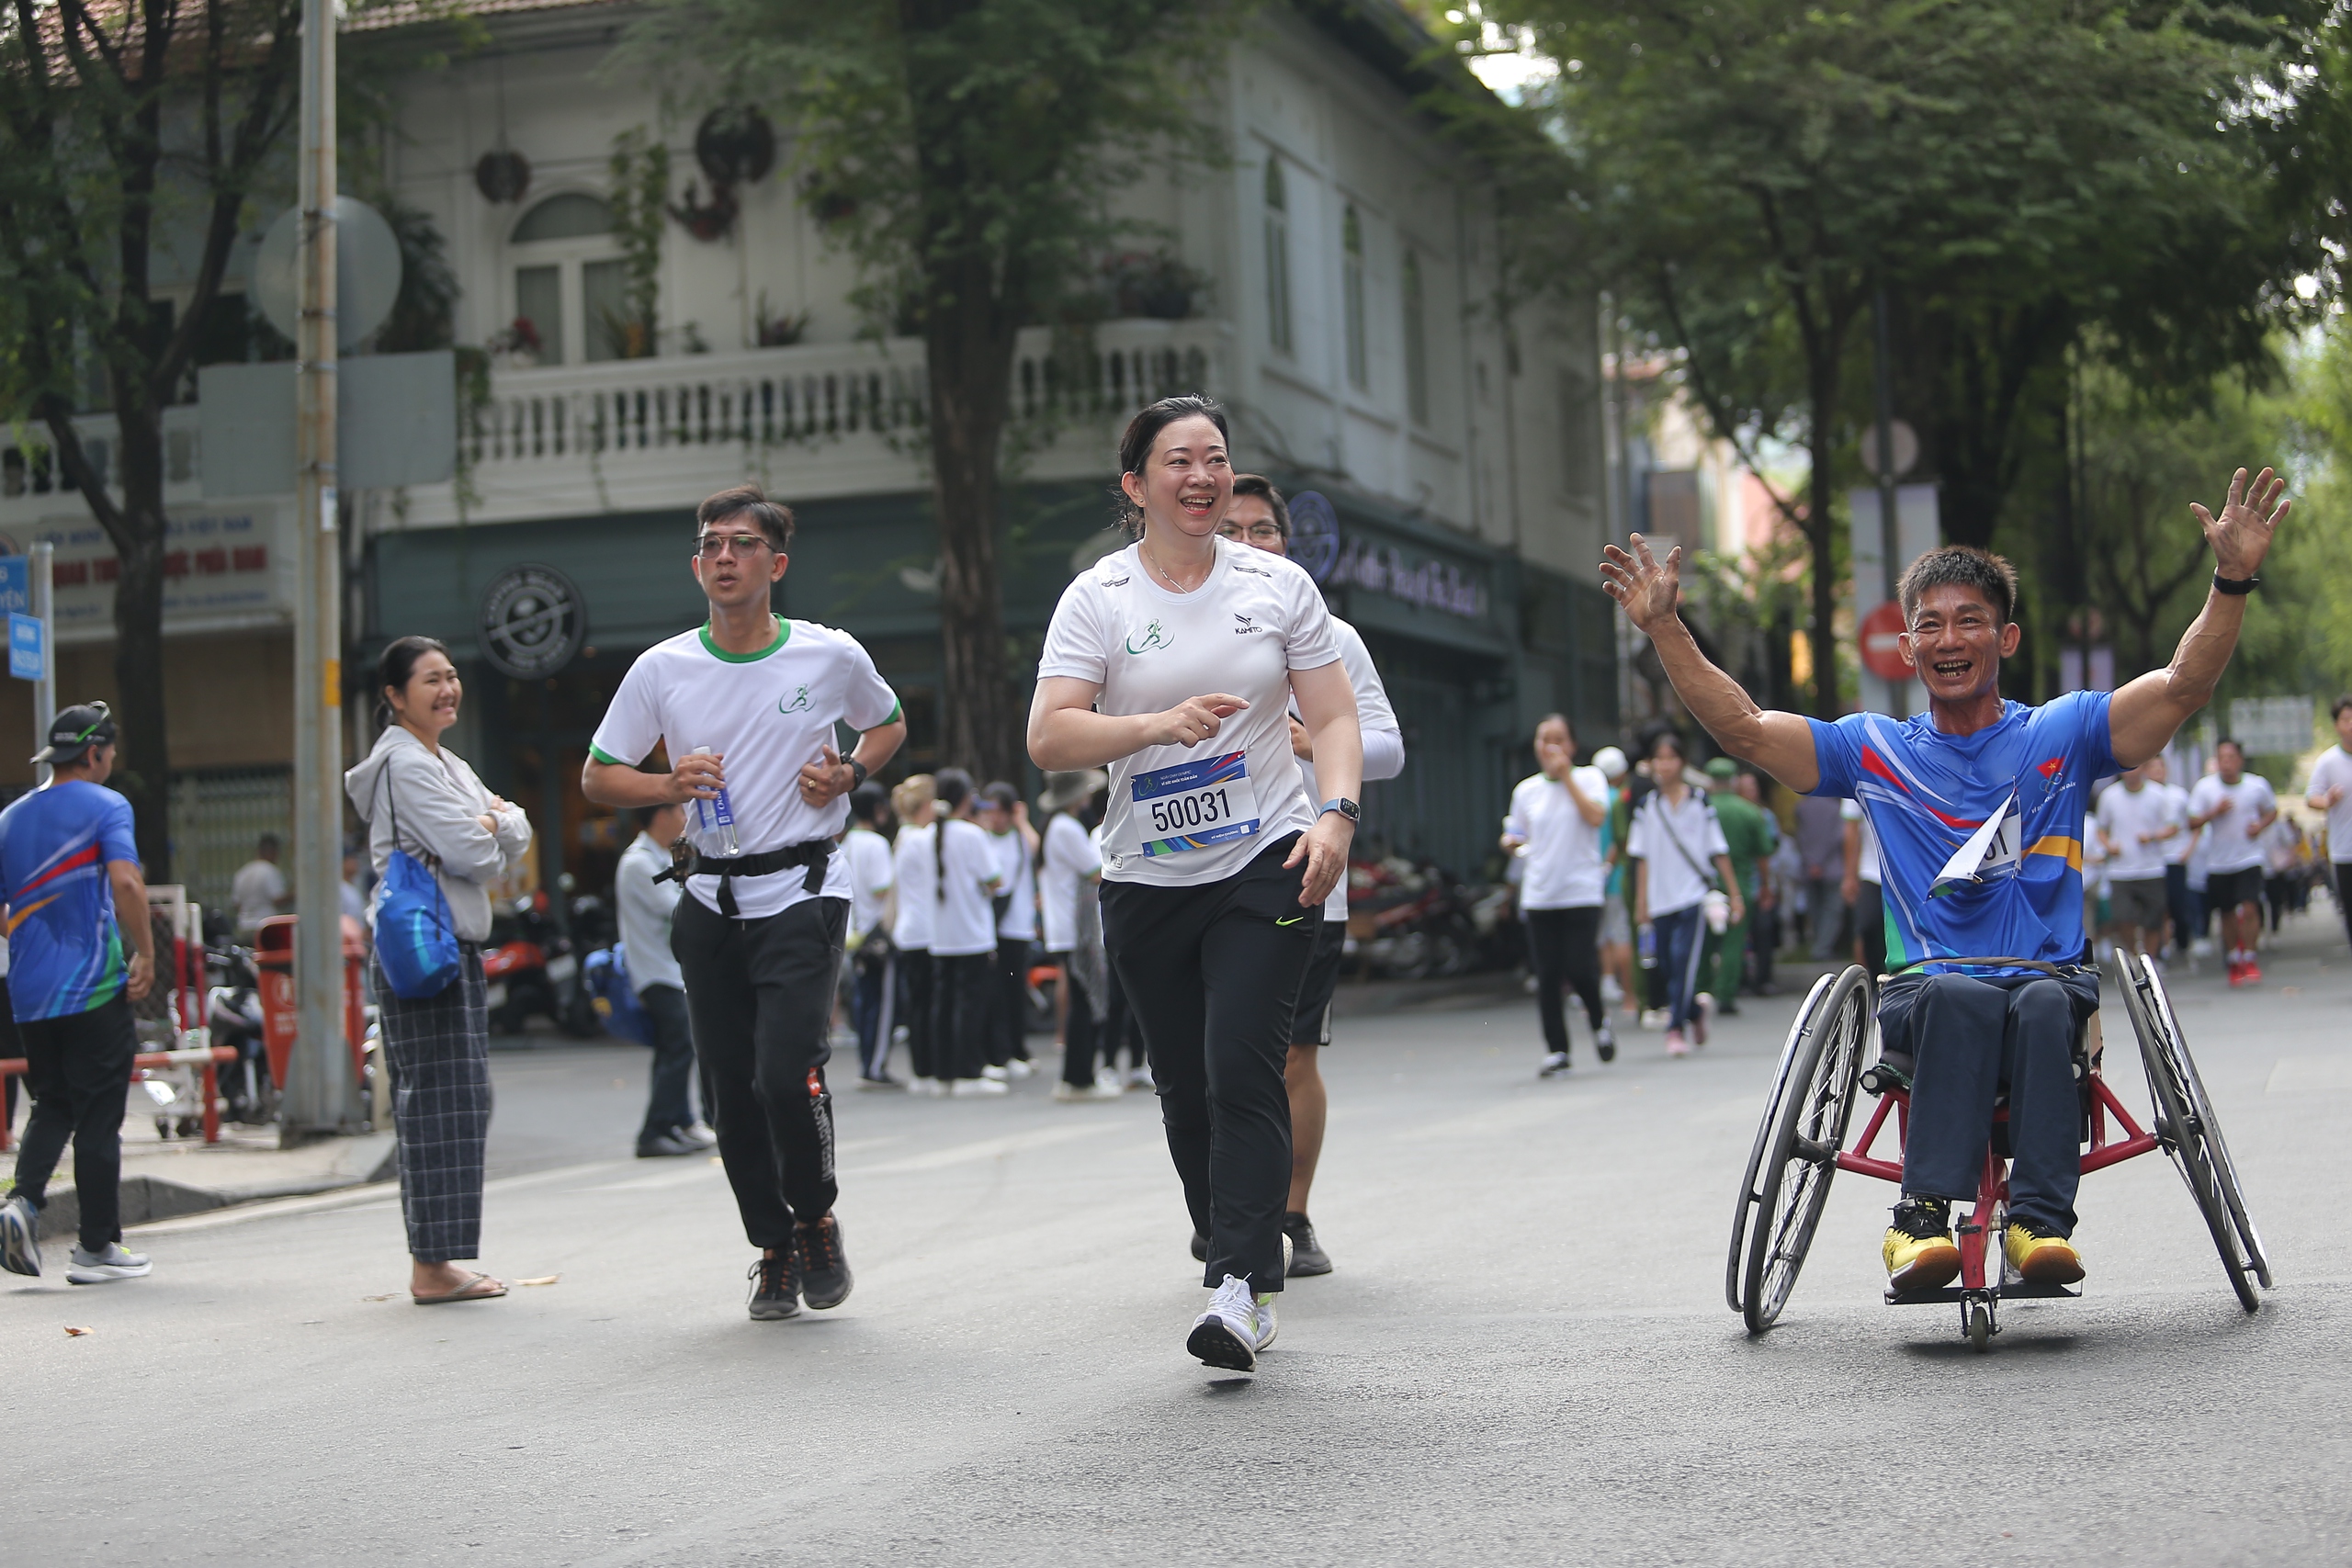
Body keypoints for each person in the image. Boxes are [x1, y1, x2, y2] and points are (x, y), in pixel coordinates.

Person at [1600, 465, 2288, 1292]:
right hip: (1927, 990)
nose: (1950, 639)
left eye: (1971, 621)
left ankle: (2038, 1224)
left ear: (2006, 640)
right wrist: (1666, 627)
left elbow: (2183, 684)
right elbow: (1745, 730)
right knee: (1961, 994)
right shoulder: (1872, 747)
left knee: (2035, 1001)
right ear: (1908, 647)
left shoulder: (2065, 730)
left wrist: (2232, 580)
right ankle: (1919, 1224)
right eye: (1932, 625)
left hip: (2050, 982)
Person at [1029, 394, 1362, 1374]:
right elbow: (1050, 736)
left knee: (1240, 1068)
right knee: (1183, 1090)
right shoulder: (1100, 597)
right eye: (1179, 461)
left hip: (1268, 858)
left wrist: (1336, 813)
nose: (1203, 476)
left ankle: (1241, 1287)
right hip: (1146, 873)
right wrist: (1151, 726)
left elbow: (1334, 720)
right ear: (1136, 487)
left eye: (1215, 458)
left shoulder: (1278, 586)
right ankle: (1228, 1248)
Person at [582, 484, 908, 1322]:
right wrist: (665, 780)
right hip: (709, 893)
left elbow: (889, 723)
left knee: (783, 1071)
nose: (724, 557)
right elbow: (596, 775)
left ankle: (816, 1215)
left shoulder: (827, 655)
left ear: (777, 562)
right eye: (711, 545)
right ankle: (773, 1248)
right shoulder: (662, 667)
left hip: (803, 885)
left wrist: (850, 771)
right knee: (728, 1090)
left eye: (742, 543)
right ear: (697, 566)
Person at [1217, 473, 1406, 1275]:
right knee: (1209, 1061)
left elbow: (1386, 747)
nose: (1250, 544)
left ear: (1286, 543)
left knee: (1291, 1057)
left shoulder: (1331, 636)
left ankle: (1290, 1215)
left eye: (1264, 530)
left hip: (1301, 875)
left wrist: (1308, 741)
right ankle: (1224, 1207)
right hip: (1196, 877)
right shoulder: (1171, 631)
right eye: (1233, 530)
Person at [345, 640, 533, 1305]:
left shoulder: (444, 760)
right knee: (437, 1100)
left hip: (455, 945)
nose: (448, 687)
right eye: (431, 679)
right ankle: (430, 1265)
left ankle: (439, 1257)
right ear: (395, 695)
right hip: (423, 946)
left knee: (461, 1098)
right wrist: (492, 824)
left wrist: (494, 822)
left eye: (452, 676)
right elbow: (476, 852)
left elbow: (516, 827)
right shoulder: (403, 764)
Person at [0, 704, 159, 1284]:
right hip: (91, 988)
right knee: (98, 1113)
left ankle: (22, 1203)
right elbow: (125, 881)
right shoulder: (107, 806)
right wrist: (144, 949)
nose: (111, 764)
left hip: (30, 992)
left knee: (55, 1102)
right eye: (109, 754)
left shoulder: (10, 819)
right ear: (93, 753)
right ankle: (96, 1248)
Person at [1503, 715, 1611, 1078]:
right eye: (1543, 738)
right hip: (1540, 893)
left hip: (1581, 890)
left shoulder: (1589, 777)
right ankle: (1558, 1050)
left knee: (1580, 967)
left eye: (1558, 739)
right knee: (1547, 974)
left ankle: (1598, 1021)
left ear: (1572, 745)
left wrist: (1566, 776)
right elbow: (1515, 830)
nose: (1549, 746)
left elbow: (1596, 817)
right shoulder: (1526, 790)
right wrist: (1511, 842)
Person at [1627, 730, 1741, 1056]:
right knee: (1664, 964)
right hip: (1660, 899)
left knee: (1682, 961)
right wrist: (1641, 902)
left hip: (1692, 897)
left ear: (1682, 762)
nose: (1664, 765)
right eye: (1659, 759)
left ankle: (1675, 1027)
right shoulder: (1645, 807)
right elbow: (1642, 858)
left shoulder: (1699, 802)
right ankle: (1693, 1011)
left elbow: (1718, 851)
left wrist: (1734, 895)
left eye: (1670, 758)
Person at [616, 800, 715, 1156]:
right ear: (659, 816)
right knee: (679, 1046)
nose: (683, 820)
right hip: (656, 971)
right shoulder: (638, 863)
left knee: (677, 1047)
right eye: (678, 812)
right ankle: (655, 1130)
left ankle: (677, 1122)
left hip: (670, 970)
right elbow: (675, 907)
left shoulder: (658, 856)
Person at [1036, 770, 1120, 1102]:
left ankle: (1078, 1076)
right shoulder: (1067, 828)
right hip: (1075, 928)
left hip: (1064, 927)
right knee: (1084, 1003)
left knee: (1080, 1000)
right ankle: (1079, 1078)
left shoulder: (1054, 826)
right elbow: (1096, 871)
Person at [928, 769, 1006, 1097]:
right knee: (971, 1004)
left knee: (943, 1003)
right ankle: (969, 1072)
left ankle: (943, 1072)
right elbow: (995, 880)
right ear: (965, 799)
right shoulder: (972, 835)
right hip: (972, 930)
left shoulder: (927, 833)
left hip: (940, 933)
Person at [2188, 737, 2278, 987]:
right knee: (2226, 913)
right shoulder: (2205, 789)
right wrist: (2213, 813)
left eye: (2230, 758)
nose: (2226, 763)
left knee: (2249, 907)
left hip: (2249, 856)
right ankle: (2233, 956)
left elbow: (2272, 810)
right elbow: (2192, 822)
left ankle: (2249, 955)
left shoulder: (2256, 786)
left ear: (2240, 760)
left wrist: (2259, 825)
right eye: (2221, 758)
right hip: (2218, 861)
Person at [978, 782, 1040, 1079]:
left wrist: (1021, 819)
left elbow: (1035, 846)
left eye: (1001, 811)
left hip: (1018, 926)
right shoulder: (982, 839)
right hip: (993, 926)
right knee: (996, 992)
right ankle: (1000, 1051)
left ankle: (1018, 1047)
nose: (995, 818)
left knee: (1016, 991)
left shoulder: (1018, 839)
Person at [1705, 758, 1776, 1015]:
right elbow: (1763, 854)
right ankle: (1726, 995)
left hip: (1702, 885)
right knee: (1734, 943)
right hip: (1741, 882)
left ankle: (1699, 992)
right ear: (1733, 781)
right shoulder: (1749, 812)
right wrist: (1766, 886)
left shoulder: (1701, 809)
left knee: (1702, 941)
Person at [842, 783, 900, 1088]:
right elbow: (882, 889)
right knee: (882, 1002)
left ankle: (867, 1062)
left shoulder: (848, 842)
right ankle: (875, 1066)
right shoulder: (876, 844)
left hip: (855, 932)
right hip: (876, 933)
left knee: (865, 1001)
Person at [889, 775, 942, 1093]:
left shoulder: (903, 836)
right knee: (926, 1004)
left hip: (910, 928)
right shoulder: (920, 839)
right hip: (922, 930)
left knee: (919, 1003)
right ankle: (926, 1068)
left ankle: (923, 1068)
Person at [2096, 764, 2176, 963]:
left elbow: (2173, 827)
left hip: (2152, 867)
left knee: (2154, 918)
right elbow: (2101, 829)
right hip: (2120, 869)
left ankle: (2150, 960)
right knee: (2122, 916)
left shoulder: (2158, 794)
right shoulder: (2109, 796)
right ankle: (2134, 954)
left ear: (2144, 769)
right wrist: (2109, 846)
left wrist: (2153, 836)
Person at [1591, 747, 1640, 1017]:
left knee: (1601, 935)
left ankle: (1606, 980)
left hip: (1591, 878)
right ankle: (1630, 996)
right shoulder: (1620, 800)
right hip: (1617, 875)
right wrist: (1610, 864)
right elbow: (1621, 841)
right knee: (1621, 934)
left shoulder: (1592, 799)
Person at [2303, 695, 2352, 954]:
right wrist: (2328, 801)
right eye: (2346, 719)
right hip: (2345, 851)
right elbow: (2312, 799)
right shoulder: (2328, 761)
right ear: (2337, 725)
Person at [1793, 793, 1849, 960]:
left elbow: (1800, 837)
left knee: (1815, 908)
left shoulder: (1801, 807)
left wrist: (1812, 862)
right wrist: (1820, 861)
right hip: (1832, 867)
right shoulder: (1837, 809)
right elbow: (1836, 838)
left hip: (1808, 868)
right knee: (1832, 909)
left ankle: (1819, 944)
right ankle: (1822, 948)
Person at [2149, 754, 2194, 960]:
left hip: (2176, 857)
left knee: (2177, 903)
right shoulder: (2145, 796)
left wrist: (2188, 850)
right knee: (2159, 906)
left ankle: (2183, 942)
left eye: (2160, 767)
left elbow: (2193, 825)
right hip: (2152, 860)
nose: (2157, 772)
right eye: (2152, 768)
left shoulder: (2178, 795)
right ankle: (2160, 948)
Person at [230, 832, 289, 933]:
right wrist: (295, 895)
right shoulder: (270, 870)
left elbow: (236, 903)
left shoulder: (243, 872)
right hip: (265, 926)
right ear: (273, 852)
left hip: (244, 927)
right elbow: (278, 899)